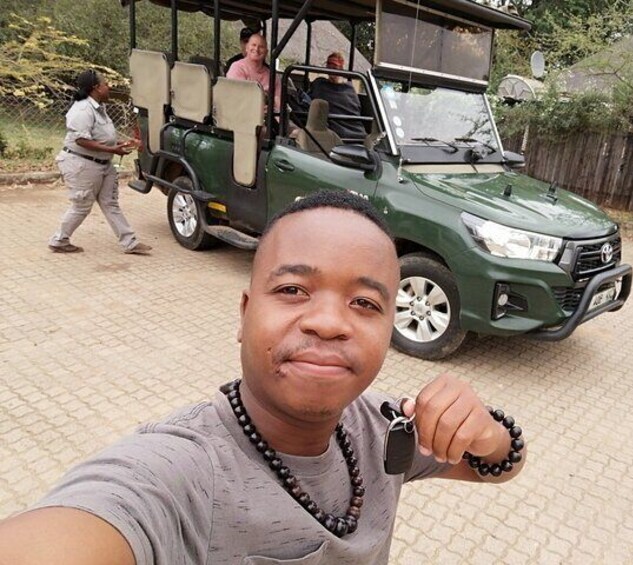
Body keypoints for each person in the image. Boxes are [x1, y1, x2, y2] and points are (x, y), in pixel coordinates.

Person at [0, 190, 526, 564]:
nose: (328, 322)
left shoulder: (387, 427)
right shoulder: (179, 473)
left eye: (365, 303)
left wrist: (487, 432)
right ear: (245, 312)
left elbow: (496, 468)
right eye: (293, 290)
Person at [48, 70, 152, 255]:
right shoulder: (82, 110)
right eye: (105, 84)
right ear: (96, 88)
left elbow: (100, 137)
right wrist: (113, 150)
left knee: (110, 203)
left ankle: (130, 242)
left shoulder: (98, 108)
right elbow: (81, 140)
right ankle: (59, 240)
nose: (108, 87)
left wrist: (121, 143)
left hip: (102, 163)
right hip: (82, 163)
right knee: (81, 206)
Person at [308, 52, 367, 140]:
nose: (332, 71)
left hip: (354, 131)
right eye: (329, 67)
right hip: (336, 130)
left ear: (341, 68)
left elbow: (355, 109)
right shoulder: (320, 84)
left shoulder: (349, 89)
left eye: (335, 67)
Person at [226, 33, 282, 111]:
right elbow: (239, 97)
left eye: (261, 47)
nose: (256, 49)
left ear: (266, 52)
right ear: (247, 48)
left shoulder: (273, 76)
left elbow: (278, 103)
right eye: (253, 45)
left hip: (268, 115)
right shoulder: (237, 68)